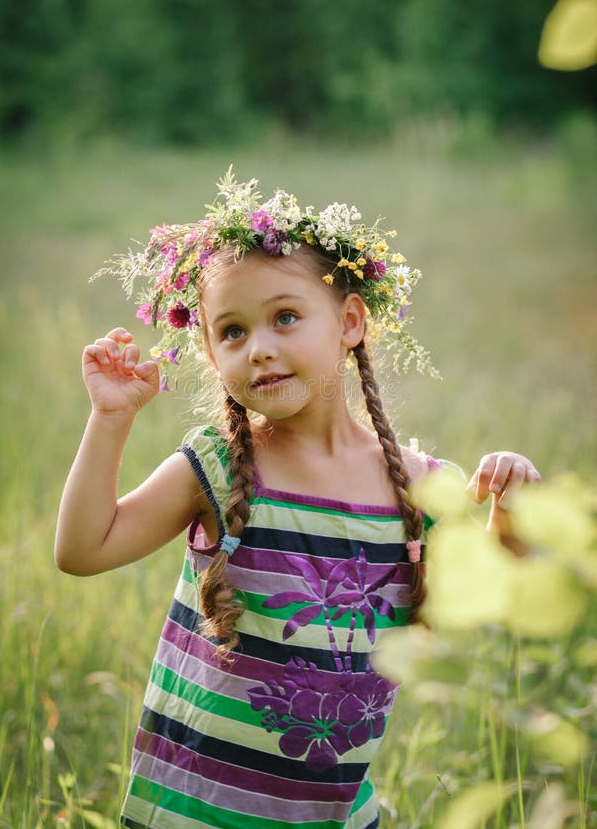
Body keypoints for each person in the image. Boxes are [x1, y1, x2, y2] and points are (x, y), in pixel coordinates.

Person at [56, 170, 540, 828]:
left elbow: (486, 612)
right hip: (195, 812)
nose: (260, 348)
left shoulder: (423, 488)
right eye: (231, 331)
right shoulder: (219, 464)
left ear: (348, 321)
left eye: (286, 317)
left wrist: (510, 513)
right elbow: (83, 551)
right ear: (209, 351)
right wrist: (110, 420)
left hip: (332, 814)